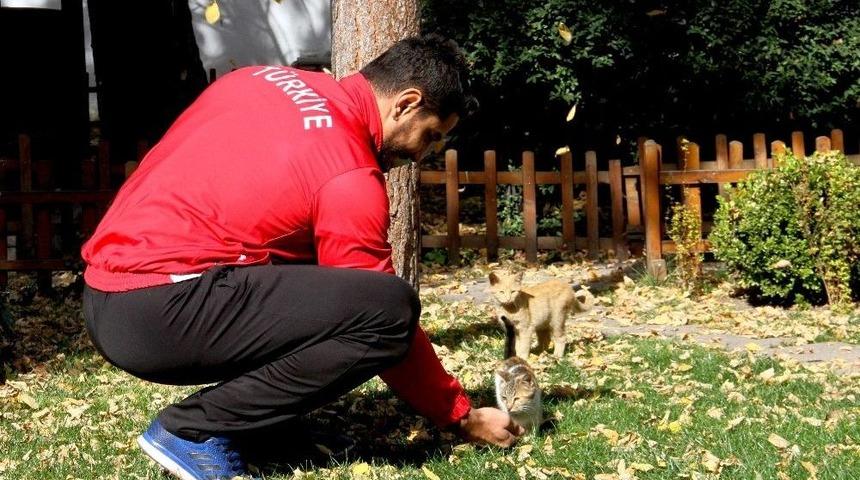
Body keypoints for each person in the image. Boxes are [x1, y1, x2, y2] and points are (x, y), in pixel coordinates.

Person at [81, 34, 523, 480]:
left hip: (105, 293)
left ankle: (264, 428)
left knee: (307, 275)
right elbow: (384, 322)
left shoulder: (258, 78)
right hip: (162, 311)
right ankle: (194, 431)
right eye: (430, 136)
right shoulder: (348, 174)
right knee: (389, 308)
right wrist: (461, 416)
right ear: (406, 103)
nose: (420, 155)